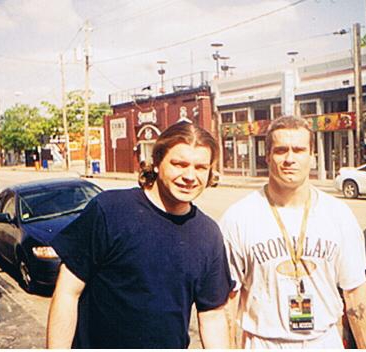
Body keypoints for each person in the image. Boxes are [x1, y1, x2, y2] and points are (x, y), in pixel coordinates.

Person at [47, 122, 234, 349]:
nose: (190, 176)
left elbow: (212, 316)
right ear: (156, 163)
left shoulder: (209, 234)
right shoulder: (110, 210)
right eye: (179, 164)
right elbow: (67, 292)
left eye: (200, 167)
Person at [220, 116, 366, 349]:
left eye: (299, 150)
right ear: (267, 155)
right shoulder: (239, 217)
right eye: (281, 150)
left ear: (312, 156)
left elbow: (355, 291)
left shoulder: (338, 214)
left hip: (323, 341)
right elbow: (228, 302)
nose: (290, 159)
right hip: (263, 343)